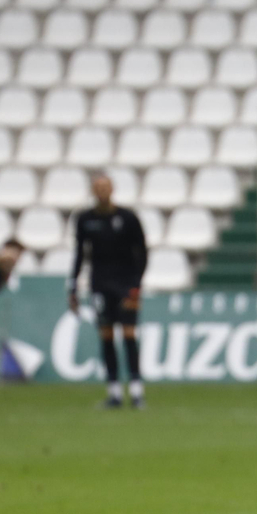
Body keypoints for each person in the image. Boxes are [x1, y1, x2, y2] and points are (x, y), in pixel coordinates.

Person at [67, 173, 148, 409]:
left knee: (129, 334)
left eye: (106, 187)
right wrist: (73, 285)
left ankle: (136, 391)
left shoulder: (128, 218)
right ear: (93, 191)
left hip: (126, 284)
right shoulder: (84, 219)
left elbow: (142, 252)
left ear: (112, 189)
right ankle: (114, 392)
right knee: (106, 336)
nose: (102, 191)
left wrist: (136, 285)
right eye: (98, 187)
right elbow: (80, 253)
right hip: (100, 284)